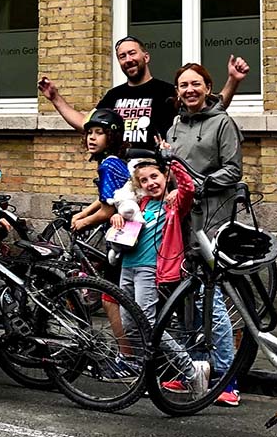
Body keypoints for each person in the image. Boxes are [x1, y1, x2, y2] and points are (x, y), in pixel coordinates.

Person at [163, 61, 245, 407]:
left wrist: (199, 185)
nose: (189, 90)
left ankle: (227, 379)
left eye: (195, 84)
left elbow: (233, 170)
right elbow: (174, 173)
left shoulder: (222, 123)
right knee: (188, 300)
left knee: (210, 303)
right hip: (183, 223)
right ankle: (196, 372)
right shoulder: (175, 127)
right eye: (183, 86)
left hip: (213, 222)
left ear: (208, 88)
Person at [110, 155, 209, 397]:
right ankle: (148, 376)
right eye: (144, 180)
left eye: (155, 177)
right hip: (128, 266)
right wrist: (118, 218)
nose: (150, 183)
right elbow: (124, 214)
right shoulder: (140, 205)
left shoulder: (172, 206)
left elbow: (188, 189)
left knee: (148, 323)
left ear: (165, 177)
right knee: (130, 326)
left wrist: (172, 160)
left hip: (149, 269)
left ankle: (191, 370)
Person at [39, 38, 249, 151]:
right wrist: (55, 98)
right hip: (119, 175)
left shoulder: (167, 91)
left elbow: (213, 108)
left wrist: (233, 80)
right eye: (122, 56)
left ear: (145, 56)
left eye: (132, 53)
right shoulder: (113, 96)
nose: (128, 59)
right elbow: (85, 123)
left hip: (154, 178)